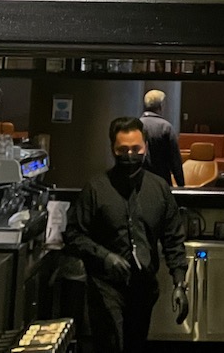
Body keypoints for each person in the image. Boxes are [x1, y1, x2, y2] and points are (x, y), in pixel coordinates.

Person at [67, 116, 188, 353]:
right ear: (113, 149)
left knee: (135, 344)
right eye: (123, 150)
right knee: (113, 342)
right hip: (106, 283)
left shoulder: (159, 189)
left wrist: (180, 282)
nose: (130, 155)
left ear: (145, 147)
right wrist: (104, 256)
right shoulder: (96, 188)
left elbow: (173, 238)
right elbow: (73, 235)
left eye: (136, 149)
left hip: (144, 285)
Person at [140, 89, 185, 188]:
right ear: (161, 106)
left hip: (140, 181)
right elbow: (175, 159)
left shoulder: (136, 125)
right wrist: (181, 184)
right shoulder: (166, 127)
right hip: (161, 181)